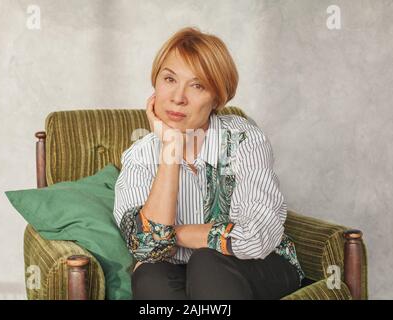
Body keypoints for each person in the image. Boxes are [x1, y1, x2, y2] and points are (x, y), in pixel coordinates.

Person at [113, 26, 304, 300]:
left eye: (197, 85)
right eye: (169, 79)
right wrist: (171, 149)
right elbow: (145, 249)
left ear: (217, 97)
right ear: (155, 84)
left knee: (207, 261)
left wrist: (169, 235)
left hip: (259, 266)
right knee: (149, 276)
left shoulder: (243, 140)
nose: (178, 97)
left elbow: (255, 236)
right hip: (181, 270)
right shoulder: (140, 155)